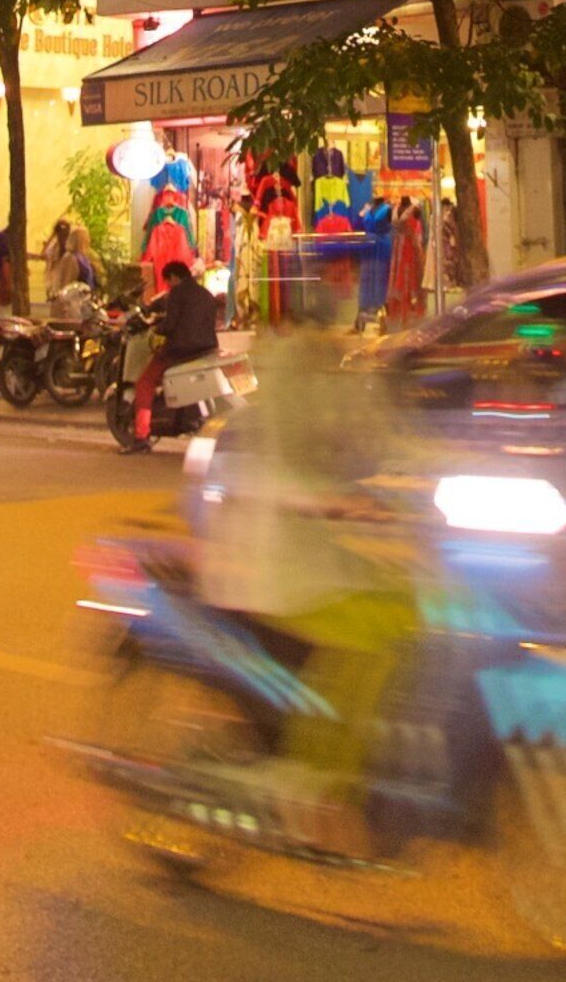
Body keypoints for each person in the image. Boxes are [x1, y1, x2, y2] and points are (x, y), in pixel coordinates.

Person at [194, 287, 413, 852]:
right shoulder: (281, 387)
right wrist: (336, 502)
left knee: (409, 602)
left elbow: (365, 444)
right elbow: (275, 474)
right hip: (272, 565)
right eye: (328, 332)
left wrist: (409, 481)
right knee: (375, 632)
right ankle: (311, 785)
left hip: (311, 553)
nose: (336, 344)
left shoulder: (319, 380)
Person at [130, 257, 218, 441]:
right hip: (208, 348)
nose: (168, 285)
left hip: (181, 351)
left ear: (173, 277)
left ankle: (141, 436)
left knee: (144, 384)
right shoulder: (206, 294)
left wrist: (155, 328)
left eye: (168, 281)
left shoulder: (177, 294)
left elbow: (170, 325)